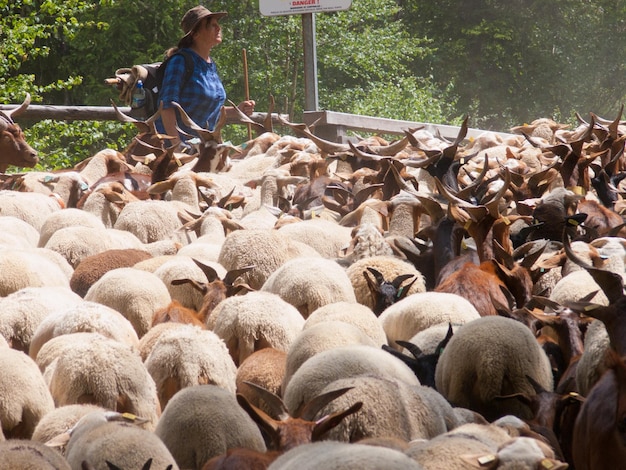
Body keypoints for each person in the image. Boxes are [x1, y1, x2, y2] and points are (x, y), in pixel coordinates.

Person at [157, 5, 255, 148]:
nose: (218, 28)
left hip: (203, 148)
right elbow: (166, 106)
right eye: (212, 25)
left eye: (217, 24)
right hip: (178, 150)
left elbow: (210, 109)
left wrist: (236, 110)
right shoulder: (180, 61)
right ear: (195, 34)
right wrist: (176, 145)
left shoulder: (210, 64)